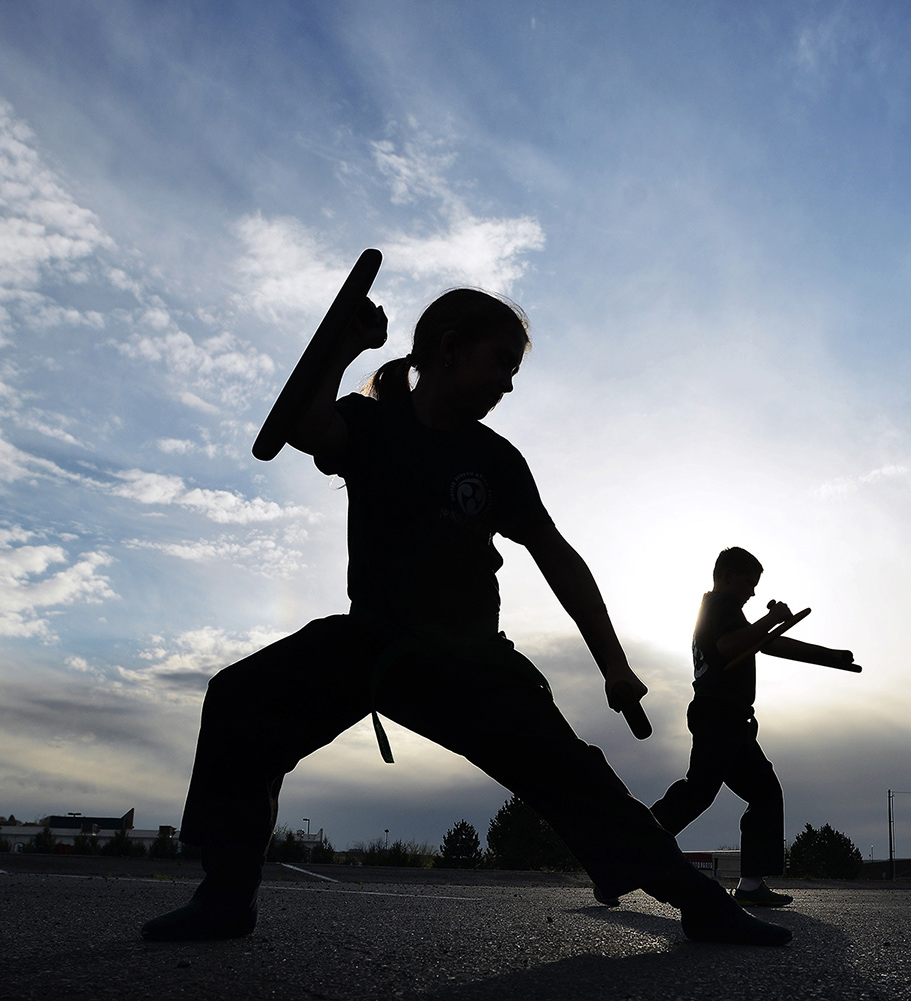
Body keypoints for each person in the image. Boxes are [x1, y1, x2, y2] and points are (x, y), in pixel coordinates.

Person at [140, 288, 790, 946]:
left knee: (579, 778)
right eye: (501, 362)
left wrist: (614, 665)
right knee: (239, 699)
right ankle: (225, 896)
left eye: (516, 369)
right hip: (373, 641)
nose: (509, 383)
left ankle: (702, 904)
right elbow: (307, 428)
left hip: (471, 660)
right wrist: (343, 344)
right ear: (450, 349)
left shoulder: (496, 461)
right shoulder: (372, 426)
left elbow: (559, 558)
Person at [621, 547, 855, 907]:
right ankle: (621, 860)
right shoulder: (719, 606)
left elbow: (769, 645)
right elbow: (730, 647)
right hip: (719, 716)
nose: (753, 593)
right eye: (750, 582)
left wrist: (830, 656)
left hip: (732, 720)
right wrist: (772, 618)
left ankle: (749, 885)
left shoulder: (718, 611)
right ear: (728, 575)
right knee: (699, 792)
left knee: (762, 792)